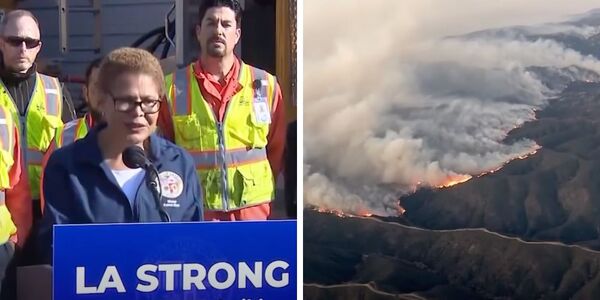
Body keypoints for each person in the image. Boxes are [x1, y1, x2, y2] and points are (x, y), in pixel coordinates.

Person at [38, 47, 203, 264]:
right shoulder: (67, 168)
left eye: (149, 102)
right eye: (126, 101)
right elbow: (58, 252)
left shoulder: (179, 164)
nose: (138, 112)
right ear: (102, 101)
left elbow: (195, 247)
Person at [159, 0, 286, 221]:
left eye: (226, 24)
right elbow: (162, 153)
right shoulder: (172, 88)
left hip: (253, 215)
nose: (218, 30)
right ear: (199, 32)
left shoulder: (265, 85)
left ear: (237, 34)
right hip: (196, 214)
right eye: (211, 23)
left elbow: (276, 150)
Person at [0, 10, 76, 220]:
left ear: (38, 47)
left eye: (30, 42)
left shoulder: (55, 90)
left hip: (48, 205)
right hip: (3, 209)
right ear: (1, 43)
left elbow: (74, 147)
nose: (23, 49)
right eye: (15, 41)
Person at [39, 58, 103, 213]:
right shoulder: (64, 135)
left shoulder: (142, 136)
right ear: (85, 93)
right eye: (98, 87)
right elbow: (49, 200)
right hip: (75, 233)